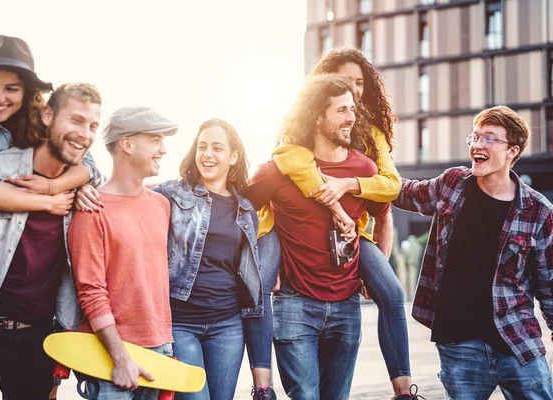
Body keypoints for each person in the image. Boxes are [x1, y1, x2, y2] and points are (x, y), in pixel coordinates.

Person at [259, 46, 414, 398]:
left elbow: (389, 191)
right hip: (284, 238)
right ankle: (261, 383)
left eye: (359, 84)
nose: (355, 92)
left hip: (352, 242)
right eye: (345, 83)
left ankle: (403, 388)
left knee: (391, 292)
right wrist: (335, 206)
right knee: (261, 283)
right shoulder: (295, 139)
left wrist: (347, 186)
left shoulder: (370, 138)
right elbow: (290, 160)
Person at [0, 35, 100, 363]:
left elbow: (86, 162)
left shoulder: (33, 119)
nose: (0, 97)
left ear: (27, 93)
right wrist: (49, 202)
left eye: (12, 89)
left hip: (29, 314)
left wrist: (60, 186)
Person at [393, 105, 553, 398]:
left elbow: (549, 283)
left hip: (516, 339)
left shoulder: (538, 211)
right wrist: (360, 167)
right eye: (475, 137)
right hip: (458, 343)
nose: (478, 145)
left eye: (489, 139)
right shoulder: (453, 183)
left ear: (512, 151)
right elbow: (403, 191)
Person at [152, 118, 264, 400]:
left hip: (227, 324)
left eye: (217, 148)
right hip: (181, 323)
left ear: (233, 157)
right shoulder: (173, 193)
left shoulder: (246, 210)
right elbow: (131, 203)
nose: (208, 154)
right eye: (202, 147)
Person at [69, 107, 176, 399]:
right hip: (111, 357)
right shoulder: (91, 209)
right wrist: (120, 358)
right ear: (127, 144)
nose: (163, 149)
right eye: (155, 139)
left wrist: (166, 344)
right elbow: (91, 292)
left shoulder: (160, 205)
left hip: (160, 349)